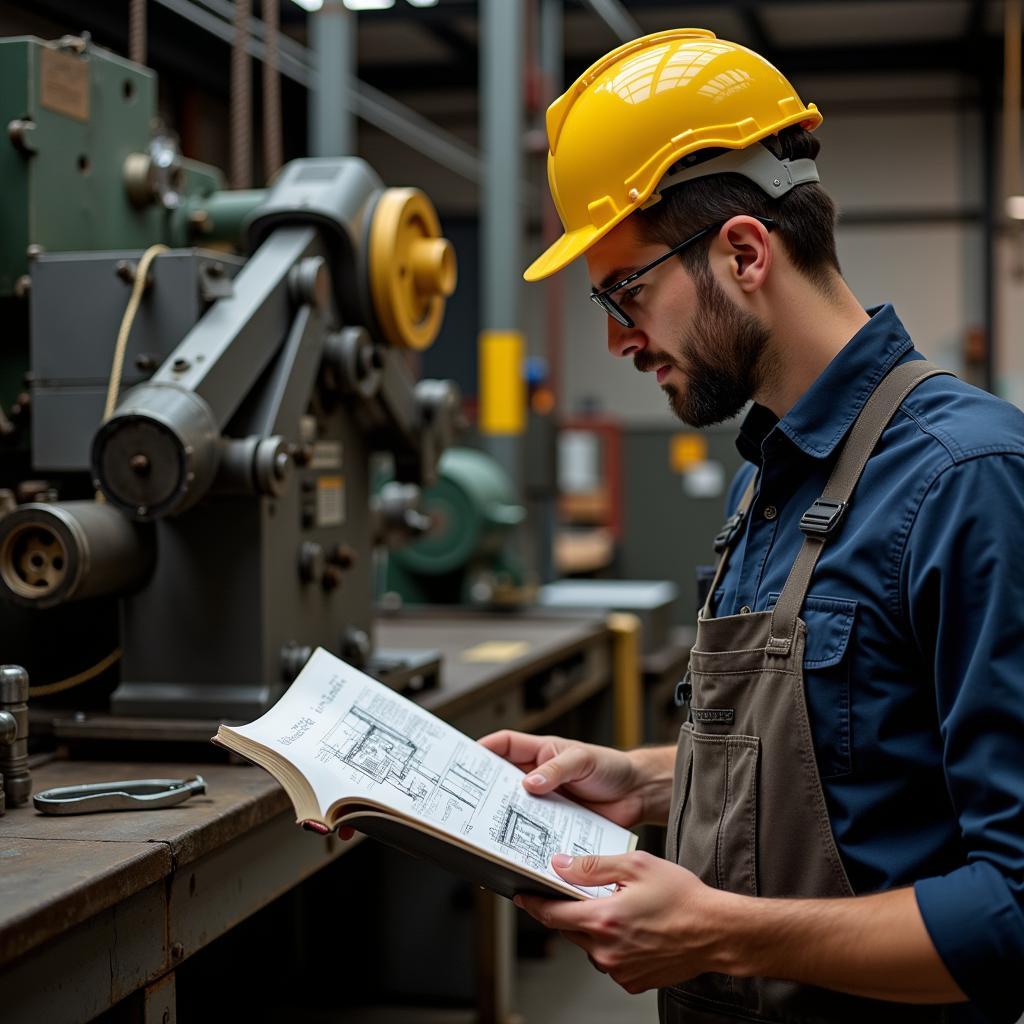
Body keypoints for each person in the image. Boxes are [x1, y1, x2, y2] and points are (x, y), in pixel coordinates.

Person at [479, 28, 1024, 1024]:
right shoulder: (765, 485)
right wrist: (639, 779)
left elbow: (1012, 909)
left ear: (740, 251)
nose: (617, 336)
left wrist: (720, 927)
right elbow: (856, 765)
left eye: (626, 290)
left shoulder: (967, 480)